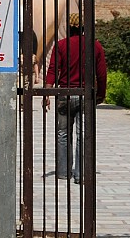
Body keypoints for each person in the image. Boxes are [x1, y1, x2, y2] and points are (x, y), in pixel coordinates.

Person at [43, 13, 107, 184]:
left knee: (63, 133)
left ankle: (63, 172)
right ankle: (81, 174)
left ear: (69, 28)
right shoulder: (95, 46)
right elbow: (101, 74)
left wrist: (47, 94)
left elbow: (52, 71)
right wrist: (101, 94)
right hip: (85, 95)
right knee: (83, 134)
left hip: (64, 94)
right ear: (85, 27)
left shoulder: (61, 45)